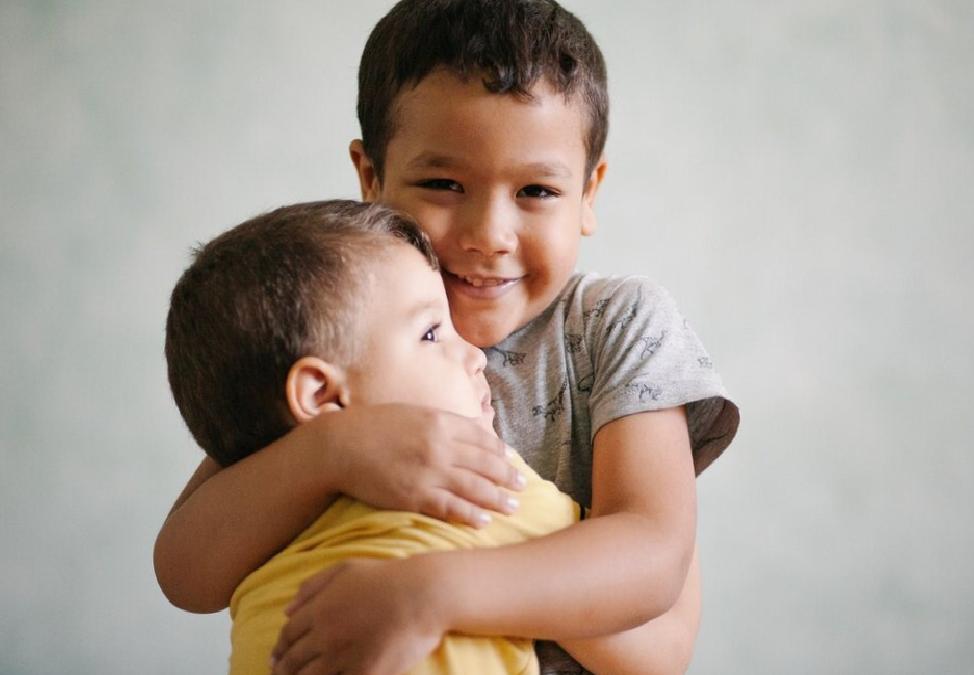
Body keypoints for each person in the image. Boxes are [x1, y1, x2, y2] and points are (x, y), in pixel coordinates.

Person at [154, 2, 740, 673]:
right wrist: (336, 449)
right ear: (370, 178)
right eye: (442, 183)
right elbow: (186, 573)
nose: (488, 234)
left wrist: (434, 591)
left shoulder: (615, 327)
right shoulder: (343, 317)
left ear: (587, 192)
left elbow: (655, 606)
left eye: (536, 190)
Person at [165, 200, 581, 675]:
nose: (476, 356)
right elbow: (633, 585)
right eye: (431, 334)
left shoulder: (254, 520)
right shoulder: (464, 473)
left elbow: (181, 578)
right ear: (321, 394)